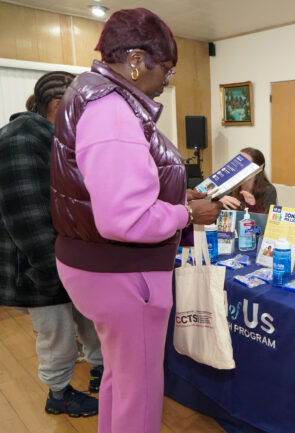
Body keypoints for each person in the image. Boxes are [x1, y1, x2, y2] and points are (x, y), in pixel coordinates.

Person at [49, 9, 221, 433]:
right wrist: (186, 213)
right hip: (122, 274)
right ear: (138, 60)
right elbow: (125, 218)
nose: (167, 81)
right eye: (167, 69)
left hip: (96, 266)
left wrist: (179, 195)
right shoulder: (112, 111)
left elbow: (114, 188)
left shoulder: (89, 92)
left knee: (120, 379)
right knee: (140, 393)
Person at [0, 71, 102, 417]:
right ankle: (58, 394)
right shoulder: (20, 138)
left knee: (90, 320)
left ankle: (99, 371)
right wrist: (48, 270)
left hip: (70, 258)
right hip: (40, 264)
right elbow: (24, 212)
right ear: (59, 105)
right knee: (56, 335)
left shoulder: (59, 141)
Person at [219, 147, 277, 213]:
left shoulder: (269, 190)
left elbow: (267, 221)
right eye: (237, 161)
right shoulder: (229, 185)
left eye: (244, 162)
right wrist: (218, 201)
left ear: (256, 168)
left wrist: (253, 207)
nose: (239, 166)